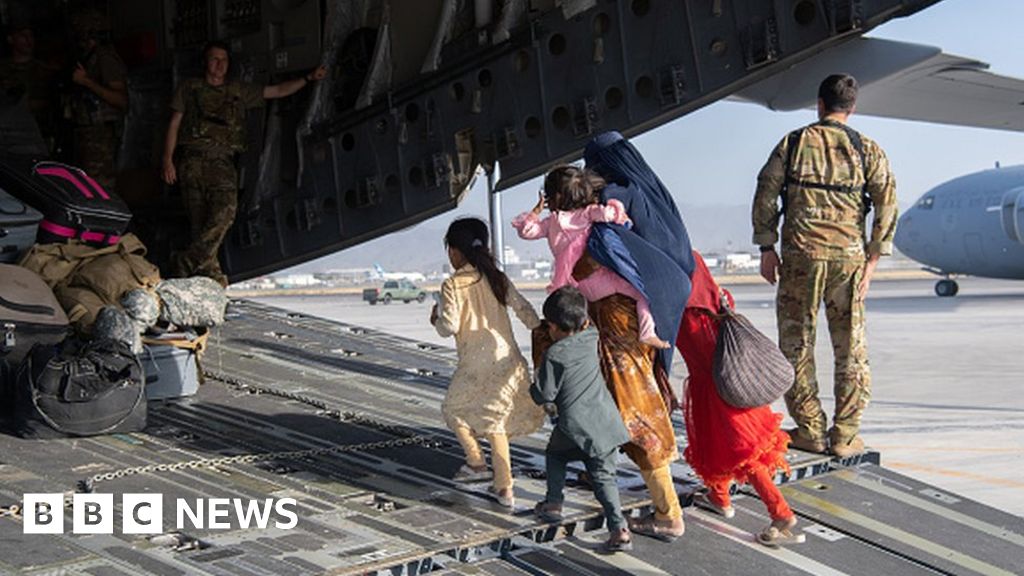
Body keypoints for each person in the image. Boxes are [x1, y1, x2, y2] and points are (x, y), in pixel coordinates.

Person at [532, 131, 694, 540]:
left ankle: (668, 514)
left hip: (618, 326)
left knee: (635, 410)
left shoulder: (609, 213)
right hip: (615, 321)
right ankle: (594, 476)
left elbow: (610, 262)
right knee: (603, 403)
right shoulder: (637, 200)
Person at [752, 74, 898, 457]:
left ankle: (811, 429)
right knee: (851, 348)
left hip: (801, 258)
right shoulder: (868, 149)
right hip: (848, 261)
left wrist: (767, 246)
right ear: (852, 108)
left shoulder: (794, 142)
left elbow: (766, 192)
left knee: (796, 345)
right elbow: (887, 202)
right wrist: (873, 259)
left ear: (819, 105)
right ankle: (845, 435)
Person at [161, 40, 327, 287]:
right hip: (192, 162)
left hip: (222, 164)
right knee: (200, 224)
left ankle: (185, 262)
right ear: (206, 63)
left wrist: (308, 78)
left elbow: (278, 91)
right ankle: (213, 280)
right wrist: (167, 160)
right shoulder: (190, 88)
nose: (219, 65)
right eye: (214, 59)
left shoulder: (238, 90)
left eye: (224, 60)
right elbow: (174, 124)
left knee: (225, 213)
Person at [678, 252, 804, 547]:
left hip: (716, 394)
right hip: (736, 386)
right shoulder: (717, 298)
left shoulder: (685, 315)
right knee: (719, 446)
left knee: (742, 453)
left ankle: (781, 512)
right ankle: (719, 497)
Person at [430, 217, 544, 509]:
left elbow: (449, 326)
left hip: (475, 364)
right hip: (508, 361)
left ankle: (476, 463)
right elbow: (524, 310)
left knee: (453, 410)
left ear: (454, 251)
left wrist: (436, 318)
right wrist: (540, 328)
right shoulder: (496, 277)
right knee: (496, 424)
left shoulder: (452, 285)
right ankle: (504, 489)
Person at [512, 165, 669, 349]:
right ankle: (647, 333)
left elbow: (527, 231)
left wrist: (535, 212)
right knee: (644, 295)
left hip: (576, 288)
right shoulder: (587, 213)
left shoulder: (550, 223)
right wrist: (619, 212)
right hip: (603, 281)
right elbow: (609, 214)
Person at [531, 286, 633, 553]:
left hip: (574, 426)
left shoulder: (555, 354)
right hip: (606, 422)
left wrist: (533, 381)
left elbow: (544, 394)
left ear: (553, 326)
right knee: (604, 478)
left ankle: (553, 503)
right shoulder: (591, 335)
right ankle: (619, 529)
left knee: (555, 456)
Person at [68, 9, 126, 191]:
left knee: (102, 188)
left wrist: (86, 82)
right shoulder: (88, 57)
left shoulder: (105, 58)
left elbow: (121, 100)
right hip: (88, 135)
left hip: (102, 137)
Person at [0, 23, 56, 149]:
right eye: (23, 36)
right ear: (11, 39)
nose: (28, 40)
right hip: (7, 136)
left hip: (38, 135)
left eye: (30, 35)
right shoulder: (3, 69)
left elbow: (51, 101)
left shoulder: (45, 70)